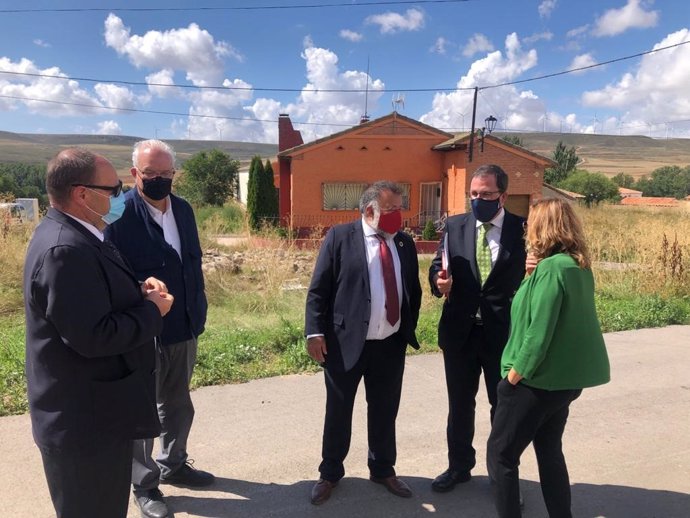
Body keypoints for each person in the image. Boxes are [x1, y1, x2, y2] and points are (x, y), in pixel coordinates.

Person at [24, 148, 173, 518]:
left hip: (97, 415)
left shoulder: (81, 233)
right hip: (85, 426)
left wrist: (137, 291)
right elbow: (94, 336)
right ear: (81, 193)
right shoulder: (66, 249)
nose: (121, 196)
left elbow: (91, 297)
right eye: (113, 188)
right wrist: (153, 310)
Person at [105, 139, 211, 518]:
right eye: (151, 174)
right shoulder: (114, 212)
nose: (160, 180)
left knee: (178, 404)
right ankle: (145, 484)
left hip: (183, 324)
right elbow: (104, 269)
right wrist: (138, 289)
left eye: (167, 174)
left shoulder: (183, 209)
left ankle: (174, 463)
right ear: (135, 173)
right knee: (142, 410)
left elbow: (190, 263)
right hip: (141, 329)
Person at [487, 198, 610, 518]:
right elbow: (534, 309)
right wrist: (531, 276)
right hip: (563, 382)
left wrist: (514, 376)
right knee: (549, 449)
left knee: (501, 456)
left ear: (545, 227)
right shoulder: (575, 265)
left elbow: (538, 332)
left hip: (535, 381)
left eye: (532, 222)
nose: (527, 228)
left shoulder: (552, 270)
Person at [305, 181, 422, 505]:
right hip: (345, 344)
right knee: (339, 411)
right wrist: (314, 333)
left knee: (385, 410)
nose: (398, 216)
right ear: (368, 209)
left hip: (390, 343)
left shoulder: (404, 243)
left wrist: (405, 328)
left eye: (400, 209)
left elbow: (412, 288)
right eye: (391, 210)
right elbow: (319, 290)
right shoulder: (341, 238)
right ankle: (330, 473)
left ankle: (383, 468)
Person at [429, 164, 526, 492]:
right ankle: (459, 467)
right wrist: (438, 282)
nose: (478, 199)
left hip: (503, 336)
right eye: (473, 194)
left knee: (503, 408)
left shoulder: (523, 229)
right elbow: (436, 268)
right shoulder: (455, 227)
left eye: (485, 194)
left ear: (503, 195)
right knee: (459, 405)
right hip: (460, 333)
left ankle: (503, 476)